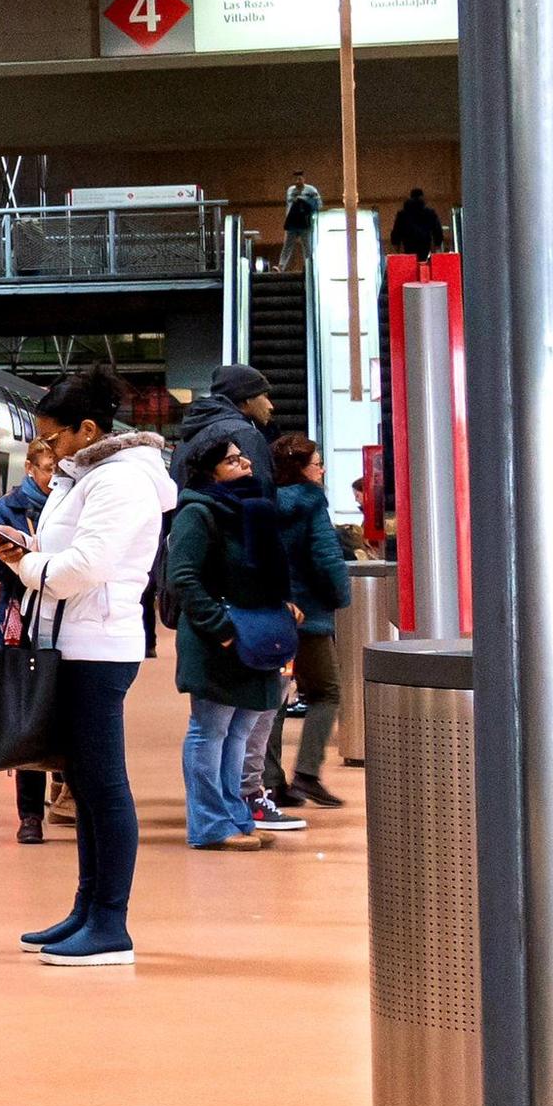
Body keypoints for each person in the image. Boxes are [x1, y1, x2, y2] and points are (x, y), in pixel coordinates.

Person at [0, 366, 177, 967]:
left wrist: (27, 566)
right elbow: (68, 557)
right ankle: (87, 908)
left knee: (104, 786)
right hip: (73, 642)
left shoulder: (120, 482)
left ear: (87, 428)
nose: (47, 449)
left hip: (97, 647)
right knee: (88, 791)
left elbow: (84, 568)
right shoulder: (86, 476)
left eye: (54, 437)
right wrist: (32, 552)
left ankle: (111, 924)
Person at [167, 439, 298, 852]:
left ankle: (235, 816)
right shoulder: (197, 513)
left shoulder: (253, 509)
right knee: (211, 729)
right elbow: (183, 578)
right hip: (219, 640)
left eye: (242, 456)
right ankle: (208, 824)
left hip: (253, 636)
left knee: (239, 729)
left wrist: (282, 605)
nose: (243, 462)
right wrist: (221, 628)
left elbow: (266, 573)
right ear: (210, 471)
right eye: (231, 459)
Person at [261, 436, 353, 808]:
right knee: (326, 692)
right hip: (310, 614)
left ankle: (269, 780)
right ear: (301, 468)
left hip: (275, 610)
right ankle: (308, 775)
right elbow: (326, 557)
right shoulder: (312, 504)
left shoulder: (264, 502)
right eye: (317, 463)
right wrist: (340, 596)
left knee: (274, 698)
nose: (322, 469)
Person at [0, 439, 59, 845]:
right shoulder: (7, 507)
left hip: (68, 620)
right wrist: (26, 557)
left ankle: (65, 792)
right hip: (22, 622)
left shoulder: (75, 500)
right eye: (48, 469)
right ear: (31, 468)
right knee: (29, 714)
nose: (55, 477)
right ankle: (30, 815)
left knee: (67, 713)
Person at [176, 364, 277, 493]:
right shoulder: (245, 433)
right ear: (247, 398)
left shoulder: (189, 435)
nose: (270, 406)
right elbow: (261, 490)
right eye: (265, 396)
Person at [279, 170, 322, 271]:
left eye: (299, 179)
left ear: (304, 179)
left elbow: (318, 204)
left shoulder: (311, 190)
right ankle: (281, 266)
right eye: (295, 179)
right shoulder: (290, 190)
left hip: (304, 222)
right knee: (287, 245)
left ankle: (309, 267)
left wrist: (304, 201)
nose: (297, 181)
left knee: (307, 246)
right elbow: (288, 206)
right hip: (292, 222)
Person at [390, 187, 445, 260]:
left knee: (410, 265)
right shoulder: (430, 213)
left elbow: (396, 231)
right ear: (422, 197)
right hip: (425, 244)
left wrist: (396, 244)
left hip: (408, 244)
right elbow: (437, 230)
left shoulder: (402, 214)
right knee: (424, 263)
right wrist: (437, 243)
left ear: (410, 197)